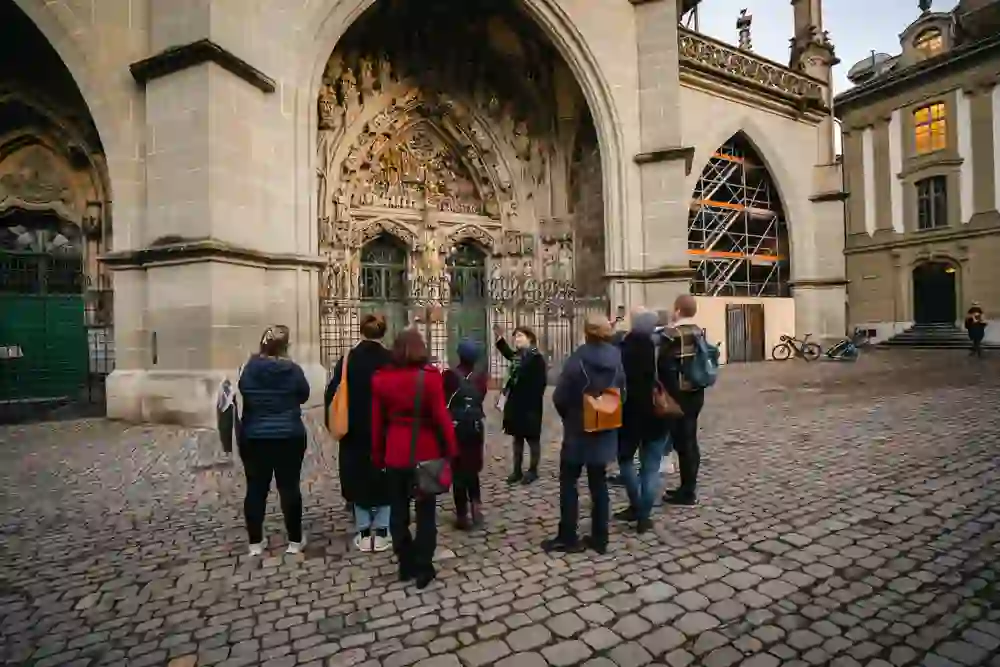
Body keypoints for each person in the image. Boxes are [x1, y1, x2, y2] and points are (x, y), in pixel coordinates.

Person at [372, 328, 458, 589]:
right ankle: (423, 566)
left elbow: (377, 423)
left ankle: (404, 560)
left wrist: (378, 455)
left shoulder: (381, 380)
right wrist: (451, 450)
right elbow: (442, 418)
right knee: (425, 512)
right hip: (425, 452)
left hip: (396, 453)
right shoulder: (430, 378)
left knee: (397, 512)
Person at [544, 315, 625, 555]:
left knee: (569, 483)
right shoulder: (616, 358)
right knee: (599, 483)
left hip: (578, 431)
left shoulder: (577, 360)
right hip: (604, 427)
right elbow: (624, 393)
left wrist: (571, 417)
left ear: (586, 333)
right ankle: (600, 537)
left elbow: (560, 397)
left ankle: (568, 536)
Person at [238, 325, 311, 556]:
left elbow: (243, 391)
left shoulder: (248, 369)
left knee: (255, 489)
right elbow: (304, 395)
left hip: (255, 436)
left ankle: (255, 542)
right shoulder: (293, 370)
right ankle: (294, 540)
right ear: (285, 346)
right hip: (288, 435)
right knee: (289, 487)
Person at [324, 314, 393, 553]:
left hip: (354, 430)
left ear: (361, 331)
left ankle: (363, 531)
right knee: (385, 477)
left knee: (357, 476)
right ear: (383, 333)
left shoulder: (348, 360)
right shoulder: (392, 359)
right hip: (384, 429)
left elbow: (332, 394)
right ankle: (383, 530)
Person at [616, 308, 670, 533]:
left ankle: (636, 505)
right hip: (655, 413)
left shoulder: (622, 348)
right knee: (650, 468)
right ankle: (643, 515)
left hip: (629, 413)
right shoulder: (662, 347)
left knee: (626, 461)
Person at [659, 295, 706, 506]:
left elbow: (663, 367)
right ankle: (689, 485)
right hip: (696, 393)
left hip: (678, 395)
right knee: (691, 440)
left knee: (683, 443)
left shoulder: (671, 334)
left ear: (677, 310)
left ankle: (687, 492)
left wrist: (668, 396)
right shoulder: (698, 331)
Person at [443, 339, 489, 530]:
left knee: (458, 470)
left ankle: (462, 514)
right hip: (475, 427)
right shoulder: (480, 378)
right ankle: (476, 506)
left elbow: (443, 399)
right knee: (472, 468)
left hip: (456, 427)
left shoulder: (449, 376)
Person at [494, 324, 547, 484]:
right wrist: (500, 339)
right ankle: (516, 470)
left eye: (520, 336)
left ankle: (532, 470)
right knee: (517, 438)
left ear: (529, 338)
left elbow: (540, 384)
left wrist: (530, 400)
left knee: (532, 439)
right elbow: (508, 354)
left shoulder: (536, 358)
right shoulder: (518, 356)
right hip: (515, 404)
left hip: (530, 406)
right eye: (515, 336)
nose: (516, 339)